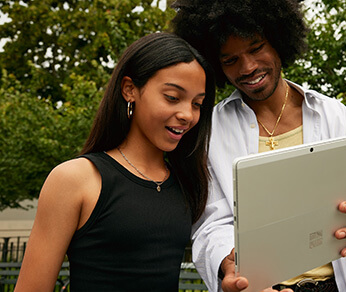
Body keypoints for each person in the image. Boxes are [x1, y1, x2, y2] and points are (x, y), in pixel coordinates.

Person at [171, 1, 346, 292]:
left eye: (256, 48)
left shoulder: (338, 117)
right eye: (230, 60)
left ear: (279, 40)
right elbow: (212, 225)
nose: (248, 67)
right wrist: (227, 265)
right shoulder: (209, 132)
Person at [14, 33, 215, 291]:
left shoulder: (188, 182)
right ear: (130, 89)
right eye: (172, 97)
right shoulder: (76, 178)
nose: (187, 115)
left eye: (197, 104)